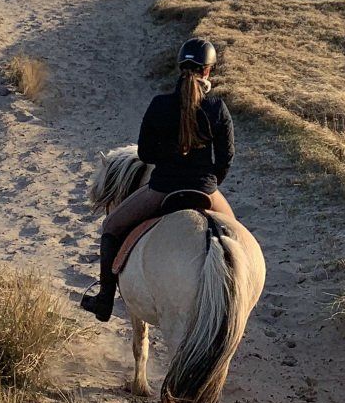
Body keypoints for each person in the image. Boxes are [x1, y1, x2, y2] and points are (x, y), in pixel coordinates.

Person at [80, 36, 235, 322]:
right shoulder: (217, 108)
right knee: (235, 236)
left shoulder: (160, 105)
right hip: (206, 191)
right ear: (208, 70)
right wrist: (210, 183)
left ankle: (104, 301)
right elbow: (225, 159)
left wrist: (169, 162)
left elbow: (145, 153)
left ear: (180, 67)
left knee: (111, 227)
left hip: (162, 190)